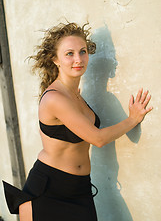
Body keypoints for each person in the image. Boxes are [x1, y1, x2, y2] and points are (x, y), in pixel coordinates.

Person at [3, 22, 153, 221]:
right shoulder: (55, 98)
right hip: (50, 191)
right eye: (69, 54)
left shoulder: (75, 95)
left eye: (82, 51)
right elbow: (97, 139)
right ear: (55, 59)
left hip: (80, 189)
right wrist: (132, 119)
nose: (78, 59)